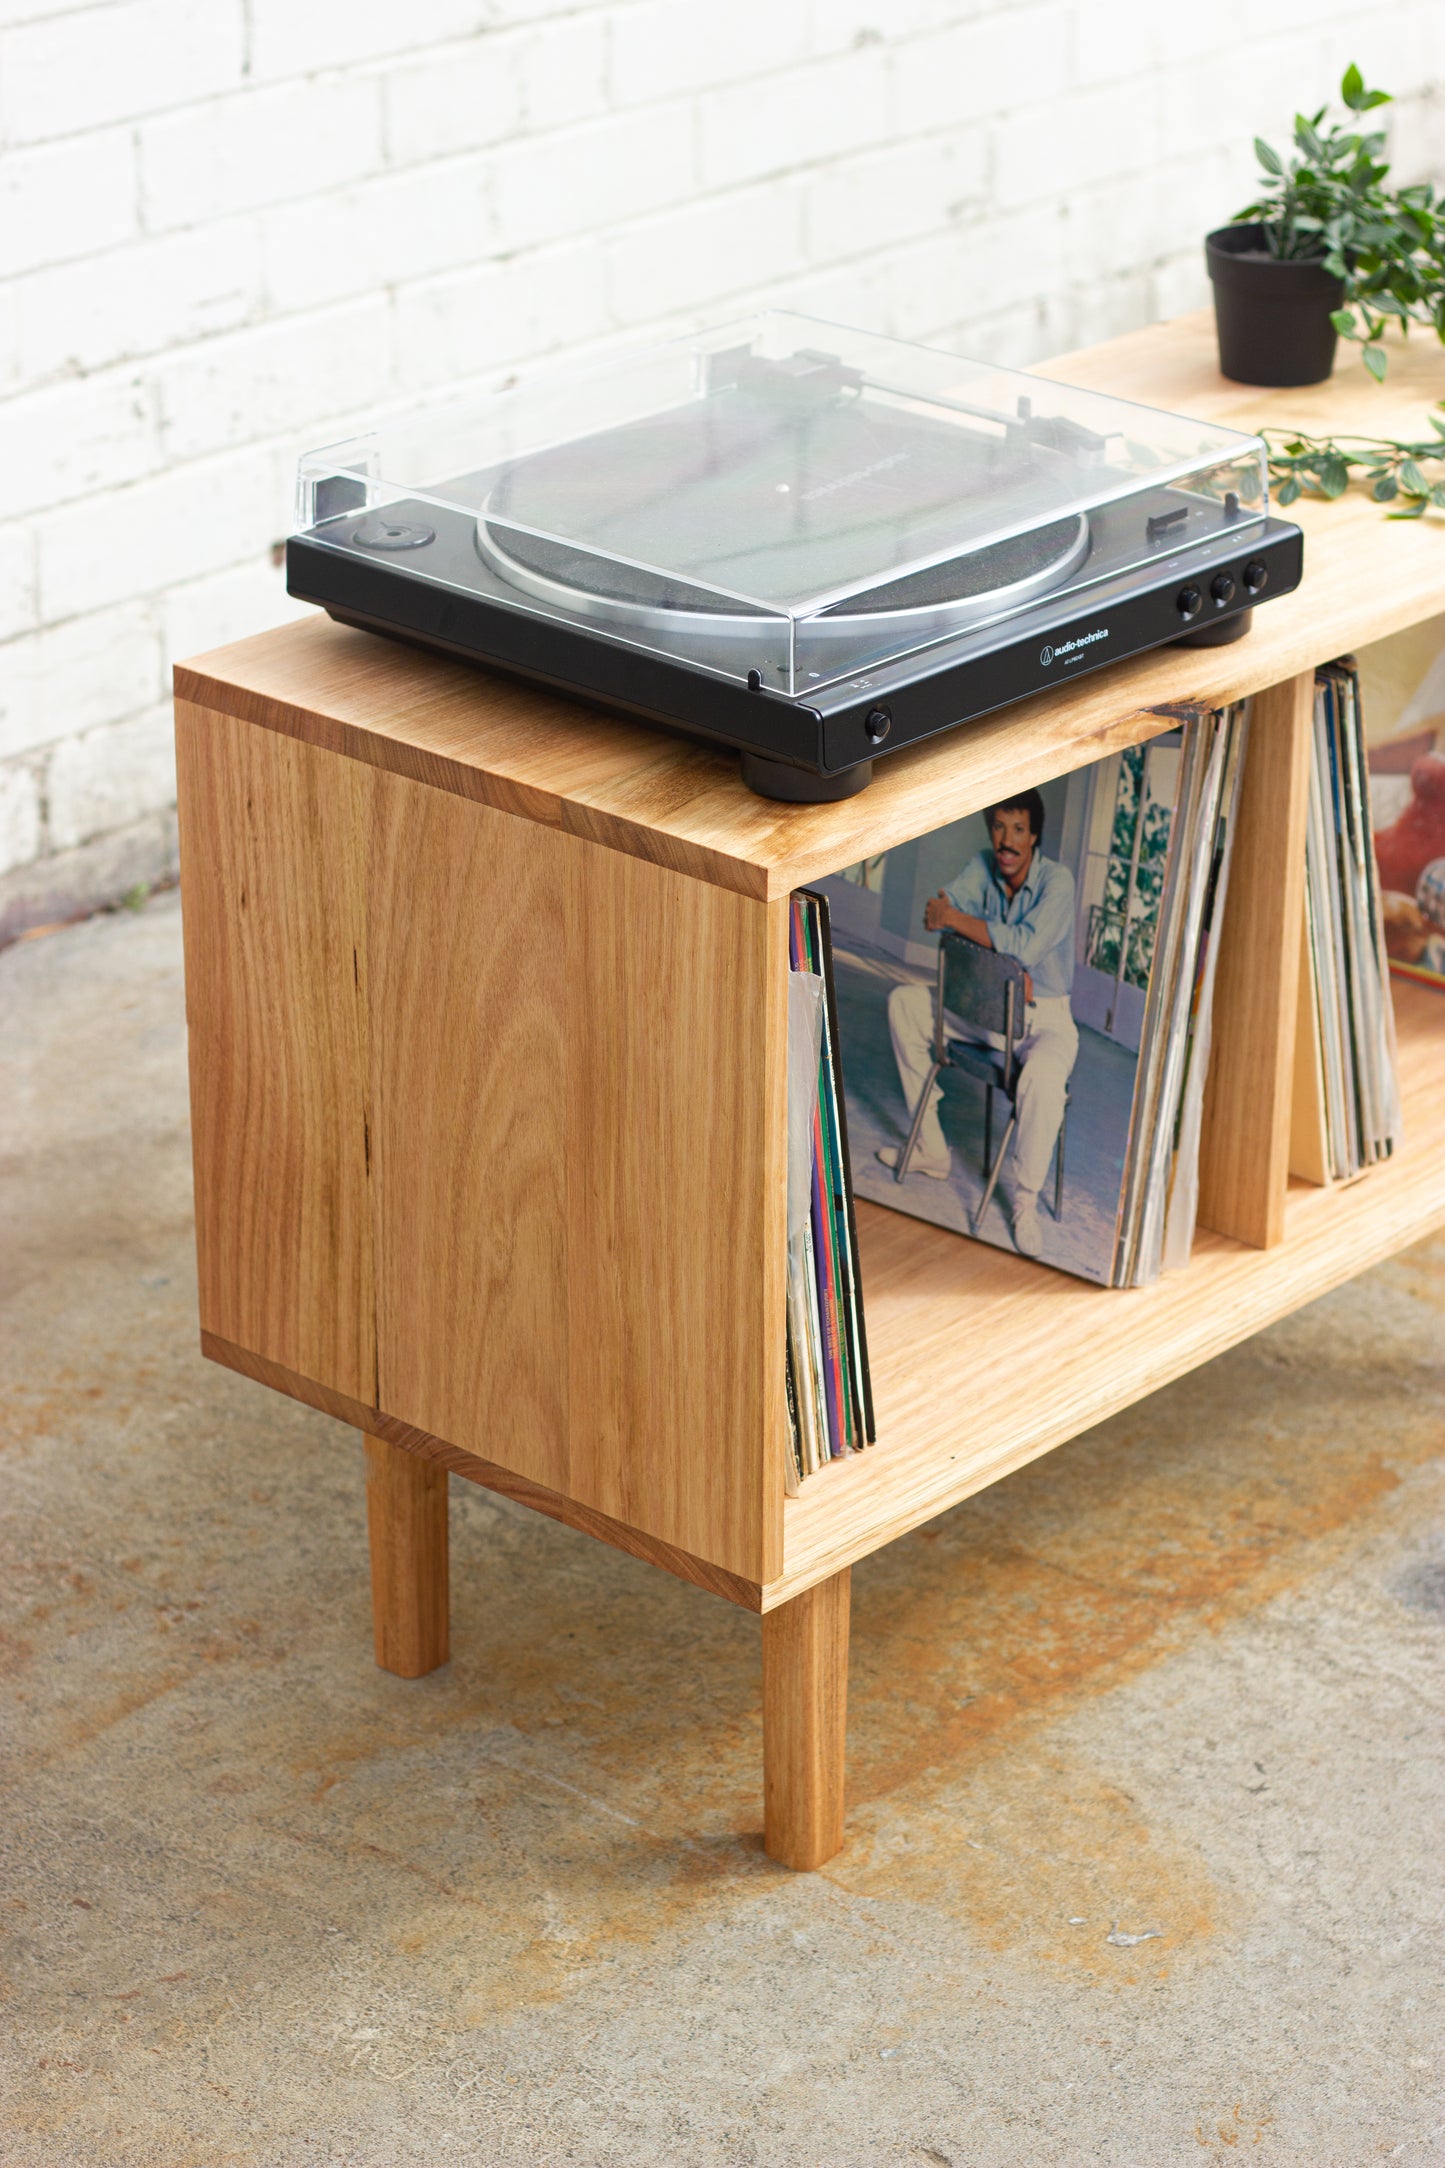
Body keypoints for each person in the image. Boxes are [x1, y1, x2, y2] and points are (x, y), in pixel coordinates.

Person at [878, 788, 1078, 1258]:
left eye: (1019, 830)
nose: (1006, 841)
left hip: (1043, 1020)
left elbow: (1024, 947)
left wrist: (967, 927)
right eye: (999, 827)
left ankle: (1024, 1202)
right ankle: (930, 1148)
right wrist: (997, 955)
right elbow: (939, 914)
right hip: (986, 1008)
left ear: (1034, 836)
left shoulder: (1058, 882)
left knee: (1045, 1079)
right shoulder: (982, 864)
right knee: (905, 1002)